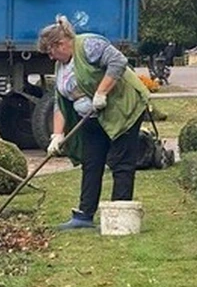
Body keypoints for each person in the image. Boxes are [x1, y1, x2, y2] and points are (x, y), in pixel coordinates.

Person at [38, 15, 150, 229]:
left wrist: (101, 92)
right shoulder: (62, 64)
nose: (51, 57)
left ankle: (119, 215)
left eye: (51, 52)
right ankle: (84, 216)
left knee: (121, 162)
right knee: (91, 163)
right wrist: (57, 135)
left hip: (122, 109)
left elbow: (118, 61)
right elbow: (59, 101)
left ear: (60, 43)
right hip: (90, 117)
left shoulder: (88, 45)